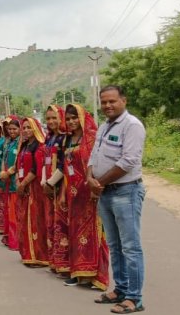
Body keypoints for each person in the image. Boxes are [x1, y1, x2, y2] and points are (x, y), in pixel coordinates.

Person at [88, 86, 146, 313]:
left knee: (131, 247)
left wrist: (99, 182)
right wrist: (89, 176)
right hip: (106, 192)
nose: (107, 106)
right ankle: (120, 289)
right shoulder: (103, 126)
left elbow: (129, 161)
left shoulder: (132, 125)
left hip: (126, 192)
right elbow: (94, 154)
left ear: (123, 100)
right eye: (104, 102)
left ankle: (135, 298)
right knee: (115, 245)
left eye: (112, 101)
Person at [61, 103, 109, 289]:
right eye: (69, 119)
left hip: (89, 192)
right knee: (74, 231)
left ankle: (96, 275)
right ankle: (78, 272)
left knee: (94, 233)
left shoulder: (91, 138)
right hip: (73, 195)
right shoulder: (68, 139)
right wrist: (64, 194)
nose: (71, 122)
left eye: (74, 118)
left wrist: (96, 188)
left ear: (82, 117)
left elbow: (98, 164)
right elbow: (66, 169)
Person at [16, 117, 49, 267]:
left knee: (35, 220)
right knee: (25, 219)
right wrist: (18, 181)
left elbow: (36, 169)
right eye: (24, 128)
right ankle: (28, 253)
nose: (26, 130)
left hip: (34, 189)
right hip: (23, 187)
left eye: (29, 127)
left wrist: (23, 183)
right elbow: (18, 166)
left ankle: (38, 256)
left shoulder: (39, 147)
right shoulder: (24, 146)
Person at [43, 104, 70, 277]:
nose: (51, 121)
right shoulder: (49, 138)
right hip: (48, 186)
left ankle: (64, 263)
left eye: (54, 118)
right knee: (51, 223)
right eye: (48, 118)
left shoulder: (64, 139)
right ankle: (54, 260)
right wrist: (44, 182)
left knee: (61, 225)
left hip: (59, 186)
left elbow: (63, 165)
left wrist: (51, 183)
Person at [0, 117, 21, 251]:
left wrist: (9, 172)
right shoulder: (8, 142)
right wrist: (3, 172)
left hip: (15, 180)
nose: (12, 131)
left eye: (14, 129)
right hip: (7, 180)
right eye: (9, 129)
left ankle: (16, 241)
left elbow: (19, 161)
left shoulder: (21, 142)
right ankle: (9, 237)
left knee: (15, 211)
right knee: (9, 209)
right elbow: (3, 158)